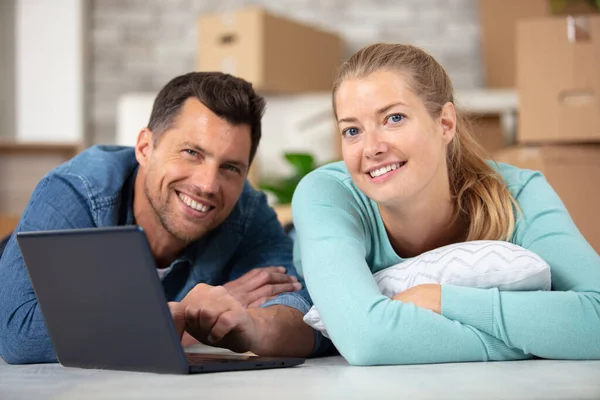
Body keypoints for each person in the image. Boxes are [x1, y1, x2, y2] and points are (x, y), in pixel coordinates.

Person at [291, 43, 600, 366]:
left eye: (394, 118)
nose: (372, 148)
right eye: (352, 130)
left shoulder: (519, 193)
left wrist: (439, 299)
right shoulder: (327, 195)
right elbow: (366, 339)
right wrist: (536, 340)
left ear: (445, 124)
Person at [0, 72, 330, 364]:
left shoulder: (246, 210)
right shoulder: (76, 190)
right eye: (192, 153)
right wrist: (180, 315)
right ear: (145, 147)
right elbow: (16, 333)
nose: (207, 184)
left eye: (230, 168)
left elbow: (310, 313)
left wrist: (254, 326)